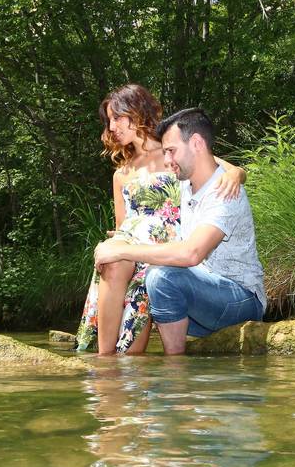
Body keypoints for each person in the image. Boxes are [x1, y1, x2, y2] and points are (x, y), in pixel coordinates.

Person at [75, 85, 244, 355]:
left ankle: (128, 357)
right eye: (108, 121)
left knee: (132, 347)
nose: (112, 126)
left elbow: (221, 167)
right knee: (114, 262)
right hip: (130, 247)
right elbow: (122, 226)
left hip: (165, 247)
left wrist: (237, 173)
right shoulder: (121, 173)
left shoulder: (173, 154)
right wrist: (116, 242)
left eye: (117, 117)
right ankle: (104, 358)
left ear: (136, 112)